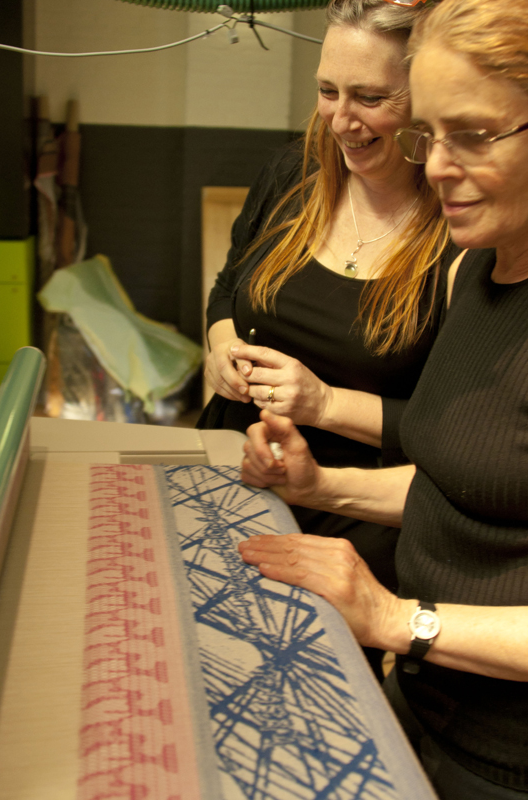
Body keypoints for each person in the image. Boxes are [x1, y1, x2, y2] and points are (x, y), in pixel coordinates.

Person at [238, 0, 528, 797]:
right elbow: (459, 486)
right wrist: (319, 486)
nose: (435, 167)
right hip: (427, 710)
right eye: (428, 136)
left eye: (470, 135)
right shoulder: (479, 272)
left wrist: (398, 619)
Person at [199, 0, 454, 678]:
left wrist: (321, 403)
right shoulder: (293, 173)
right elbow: (229, 284)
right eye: (327, 91)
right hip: (234, 473)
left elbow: (449, 438)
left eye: (369, 97)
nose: (341, 119)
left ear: (425, 98)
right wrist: (222, 341)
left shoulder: (458, 232)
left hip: (350, 516)